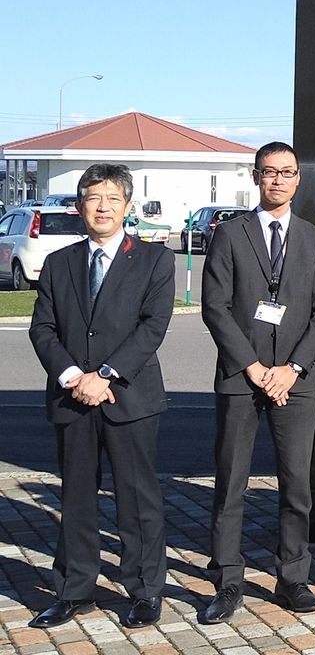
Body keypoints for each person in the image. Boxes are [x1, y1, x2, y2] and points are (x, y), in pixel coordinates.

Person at [28, 164, 175, 630]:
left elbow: (153, 326)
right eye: (94, 197)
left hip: (128, 398)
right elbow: (43, 328)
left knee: (137, 499)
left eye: (113, 197)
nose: (103, 206)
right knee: (76, 498)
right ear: (79, 206)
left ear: (128, 206)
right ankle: (75, 589)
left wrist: (106, 376)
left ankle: (145, 590)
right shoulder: (59, 263)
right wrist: (74, 375)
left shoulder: (154, 260)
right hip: (73, 398)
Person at [200, 142, 315, 624]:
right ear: (256, 177)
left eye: (287, 172)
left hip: (296, 382)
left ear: (299, 179)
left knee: (296, 483)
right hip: (241, 376)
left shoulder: (314, 238)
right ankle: (227, 581)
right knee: (230, 482)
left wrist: (291, 368)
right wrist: (254, 367)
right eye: (269, 172)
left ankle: (292, 577)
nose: (278, 180)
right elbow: (214, 307)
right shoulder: (230, 234)